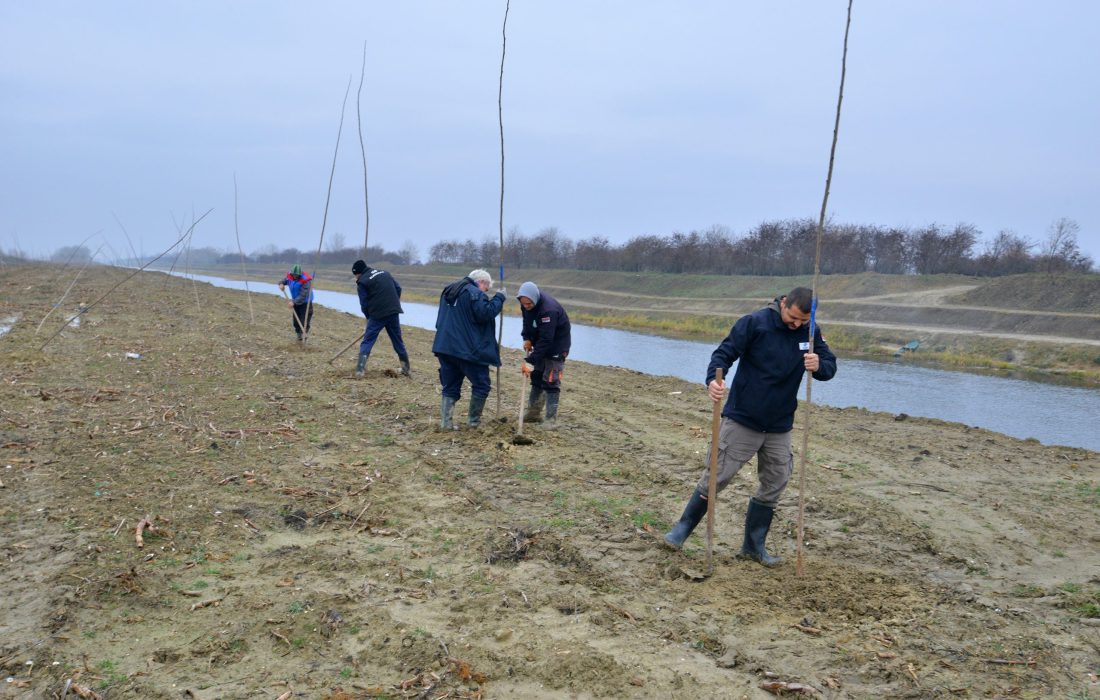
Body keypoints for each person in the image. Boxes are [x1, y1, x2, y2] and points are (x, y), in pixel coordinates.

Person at [663, 287, 837, 566]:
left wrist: (819, 365)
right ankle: (681, 531)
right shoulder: (755, 323)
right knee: (717, 475)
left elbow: (829, 367)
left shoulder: (811, 332)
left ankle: (753, 547)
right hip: (743, 418)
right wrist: (714, 380)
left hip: (780, 425)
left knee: (776, 482)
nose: (795, 325)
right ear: (783, 303)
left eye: (802, 322)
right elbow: (724, 354)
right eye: (792, 318)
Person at [431, 269, 506, 429]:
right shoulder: (475, 293)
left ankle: (446, 423)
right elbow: (485, 313)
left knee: (450, 385)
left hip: (445, 347)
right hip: (467, 350)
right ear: (482, 283)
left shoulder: (449, 290)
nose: (486, 293)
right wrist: (499, 298)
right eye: (487, 290)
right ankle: (473, 423)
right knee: (482, 384)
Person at [516, 281, 571, 428]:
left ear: (534, 299)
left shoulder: (549, 310)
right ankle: (533, 414)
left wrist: (530, 361)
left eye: (528, 304)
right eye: (524, 304)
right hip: (541, 343)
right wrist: (526, 337)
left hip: (556, 347)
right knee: (537, 377)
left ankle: (550, 420)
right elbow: (527, 322)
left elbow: (547, 340)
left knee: (551, 381)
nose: (526, 306)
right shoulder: (525, 303)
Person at [351, 259, 410, 378]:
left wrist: (369, 317)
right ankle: (406, 368)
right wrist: (392, 303)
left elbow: (364, 304)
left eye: (356, 275)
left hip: (377, 315)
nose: (356, 277)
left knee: (368, 340)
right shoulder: (385, 273)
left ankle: (360, 370)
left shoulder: (362, 282)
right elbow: (398, 288)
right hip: (393, 311)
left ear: (358, 273)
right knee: (397, 340)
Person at [278, 264, 314, 341]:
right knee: (296, 321)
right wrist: (281, 284)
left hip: (305, 303)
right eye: (294, 275)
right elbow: (285, 280)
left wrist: (293, 302)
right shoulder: (290, 276)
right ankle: (299, 335)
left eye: (297, 275)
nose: (295, 276)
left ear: (300, 274)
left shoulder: (306, 280)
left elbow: (303, 295)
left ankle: (303, 336)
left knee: (304, 321)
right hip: (295, 301)